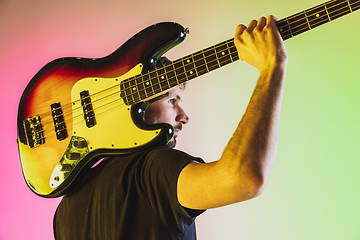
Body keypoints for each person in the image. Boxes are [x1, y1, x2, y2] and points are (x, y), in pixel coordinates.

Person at [53, 15, 288, 240]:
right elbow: (243, 179)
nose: (184, 117)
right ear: (137, 104)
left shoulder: (65, 211)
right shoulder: (153, 169)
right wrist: (271, 67)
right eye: (172, 100)